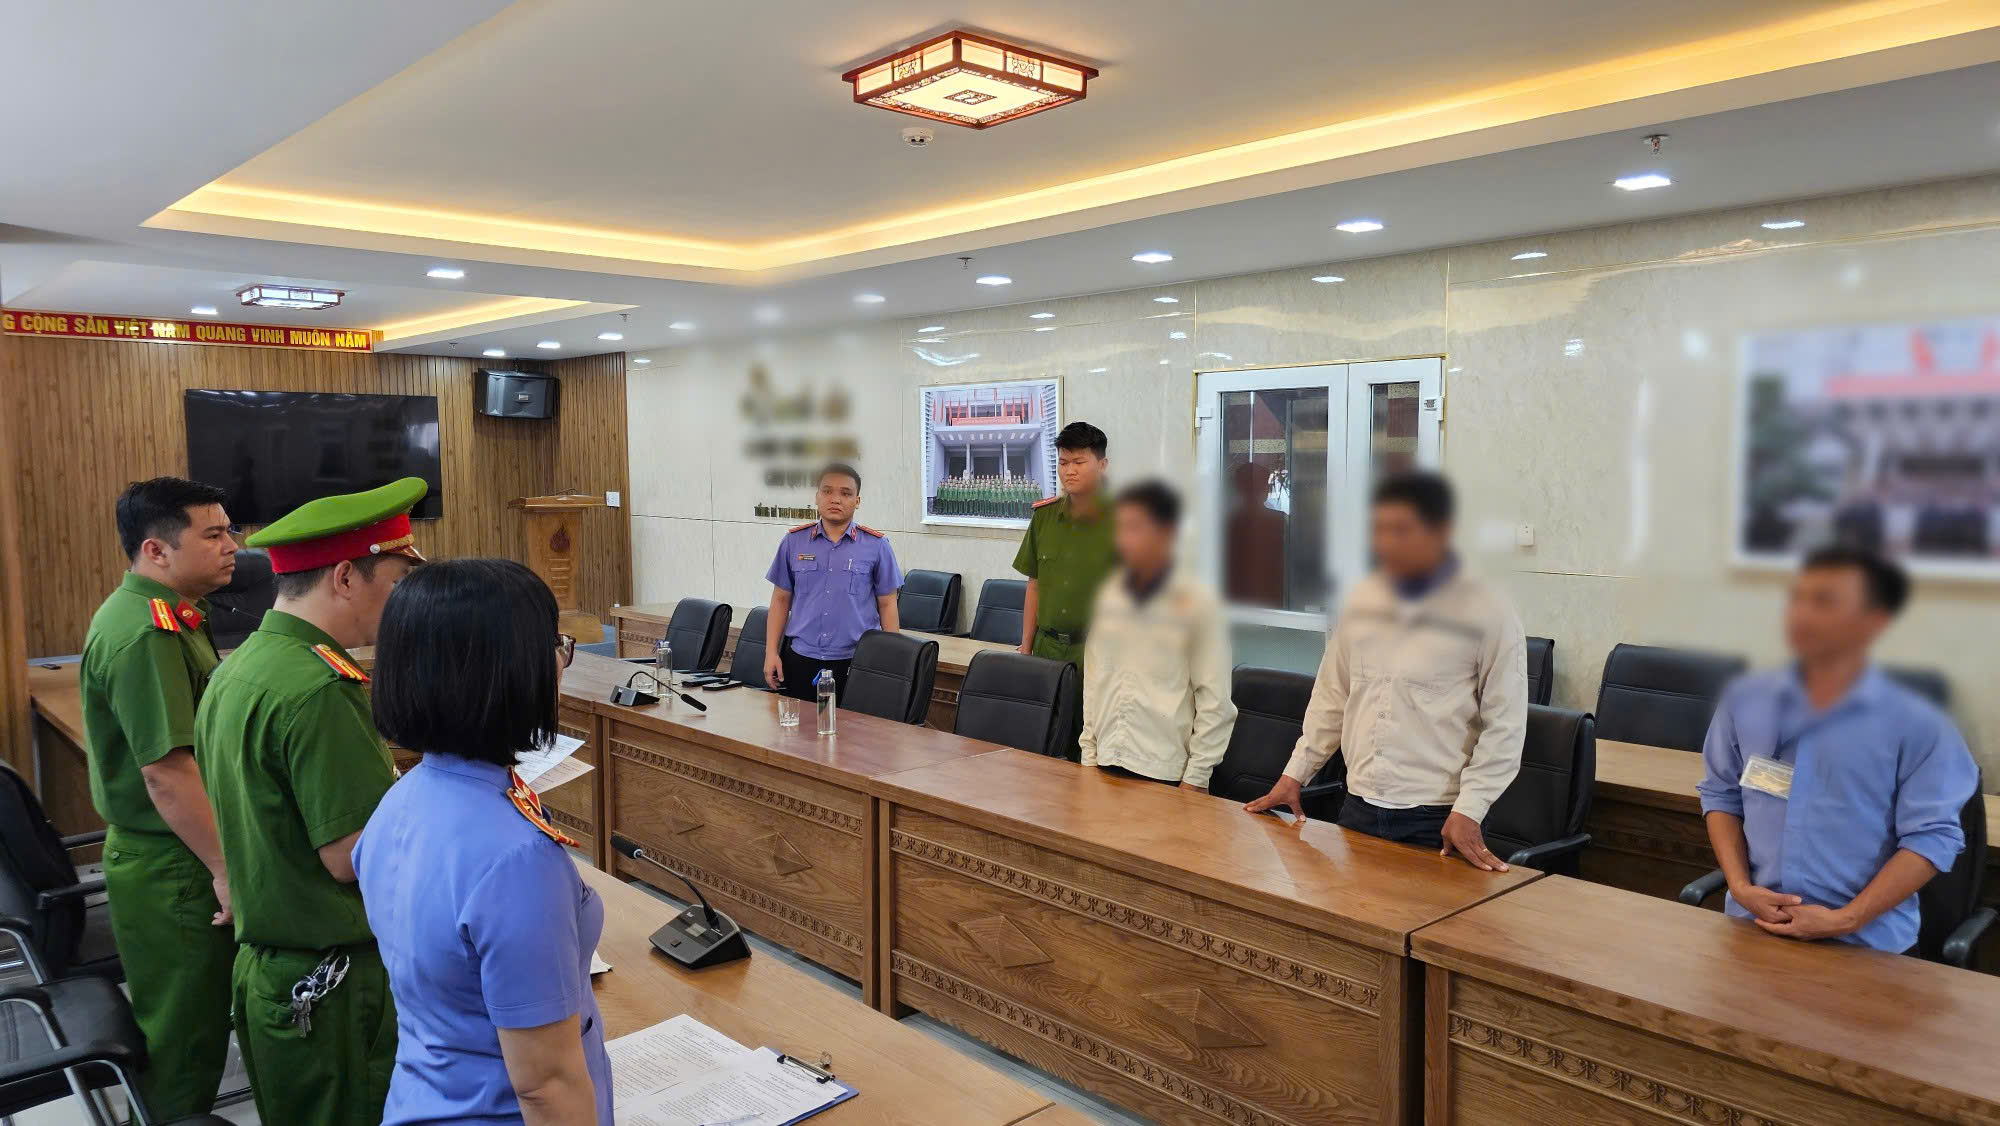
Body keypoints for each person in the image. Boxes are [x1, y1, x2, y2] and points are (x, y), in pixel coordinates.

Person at [195, 477, 428, 1126]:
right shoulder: (319, 688)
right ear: (347, 577)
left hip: (274, 966)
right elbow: (352, 856)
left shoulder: (241, 666)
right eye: (397, 583)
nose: (402, 605)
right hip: (335, 984)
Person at [358, 559, 610, 1124]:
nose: (561, 661)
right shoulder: (518, 859)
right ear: (509, 670)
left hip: (424, 1097)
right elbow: (546, 1085)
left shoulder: (402, 798)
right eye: (555, 644)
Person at [1696, 546, 1977, 952]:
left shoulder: (1919, 724)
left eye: (1824, 602)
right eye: (1797, 598)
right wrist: (1739, 887)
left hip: (1866, 945)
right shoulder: (1745, 700)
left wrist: (1847, 918)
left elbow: (1932, 837)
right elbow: (1721, 795)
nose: (1802, 615)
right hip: (1754, 929)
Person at [1246, 471, 1527, 870]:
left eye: (1401, 529)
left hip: (1440, 818)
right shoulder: (1362, 601)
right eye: (1379, 529)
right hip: (1358, 806)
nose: (1386, 543)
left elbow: (1506, 725)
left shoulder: (1488, 610)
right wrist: (1295, 775)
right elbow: (1333, 697)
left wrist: (1471, 808)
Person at [78, 477, 239, 1119]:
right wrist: (226, 870)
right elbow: (168, 773)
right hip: (174, 862)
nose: (233, 545)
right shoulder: (147, 632)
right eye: (214, 534)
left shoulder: (171, 615)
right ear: (157, 550)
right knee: (183, 1040)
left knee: (190, 1026)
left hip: (176, 850)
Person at [1079, 481, 1236, 790]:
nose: (1124, 539)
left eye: (1136, 528)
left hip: (1166, 774)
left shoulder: (1198, 604)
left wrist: (1196, 778)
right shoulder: (1109, 597)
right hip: (1105, 765)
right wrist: (1088, 757)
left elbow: (1215, 702)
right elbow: (1093, 684)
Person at [764, 462, 903, 701]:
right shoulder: (793, 542)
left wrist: (890, 661)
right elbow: (780, 600)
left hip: (857, 660)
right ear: (817, 497)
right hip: (800, 659)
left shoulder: (877, 546)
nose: (835, 499)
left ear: (857, 501)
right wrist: (770, 652)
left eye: (845, 493)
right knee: (800, 725)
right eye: (827, 491)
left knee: (855, 726)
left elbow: (888, 604)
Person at [1014, 421, 1119, 670]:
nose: (1070, 471)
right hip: (1046, 649)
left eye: (1079, 462)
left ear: (1102, 465)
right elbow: (1034, 585)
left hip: (1100, 654)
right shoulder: (1044, 517)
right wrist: (1026, 649)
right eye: (1063, 463)